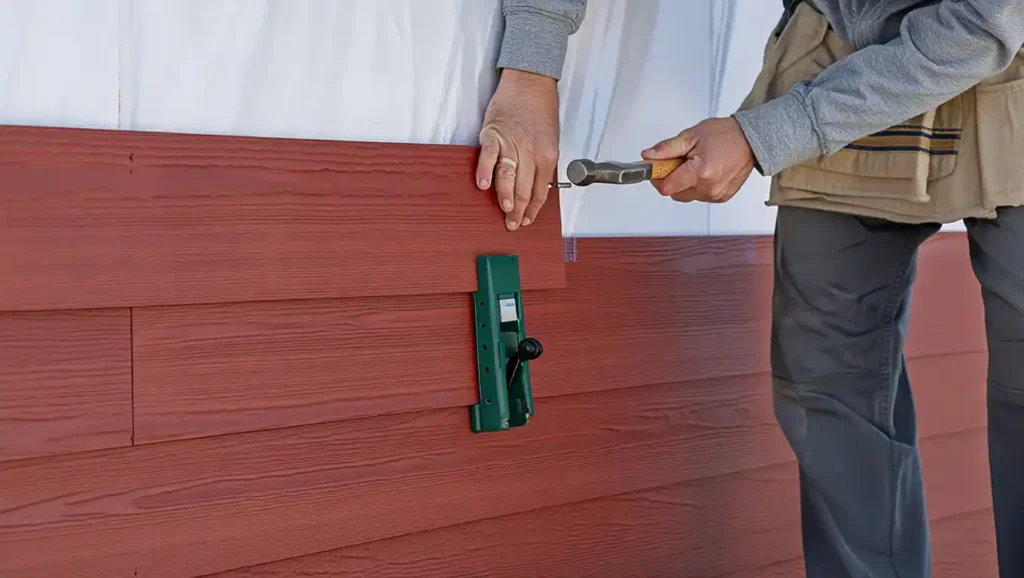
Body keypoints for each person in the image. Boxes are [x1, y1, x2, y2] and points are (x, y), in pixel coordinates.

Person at [475, 0, 1024, 576]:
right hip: (841, 51)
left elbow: (986, 24)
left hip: (1003, 55)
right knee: (826, 387)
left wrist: (765, 134)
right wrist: (530, 74)